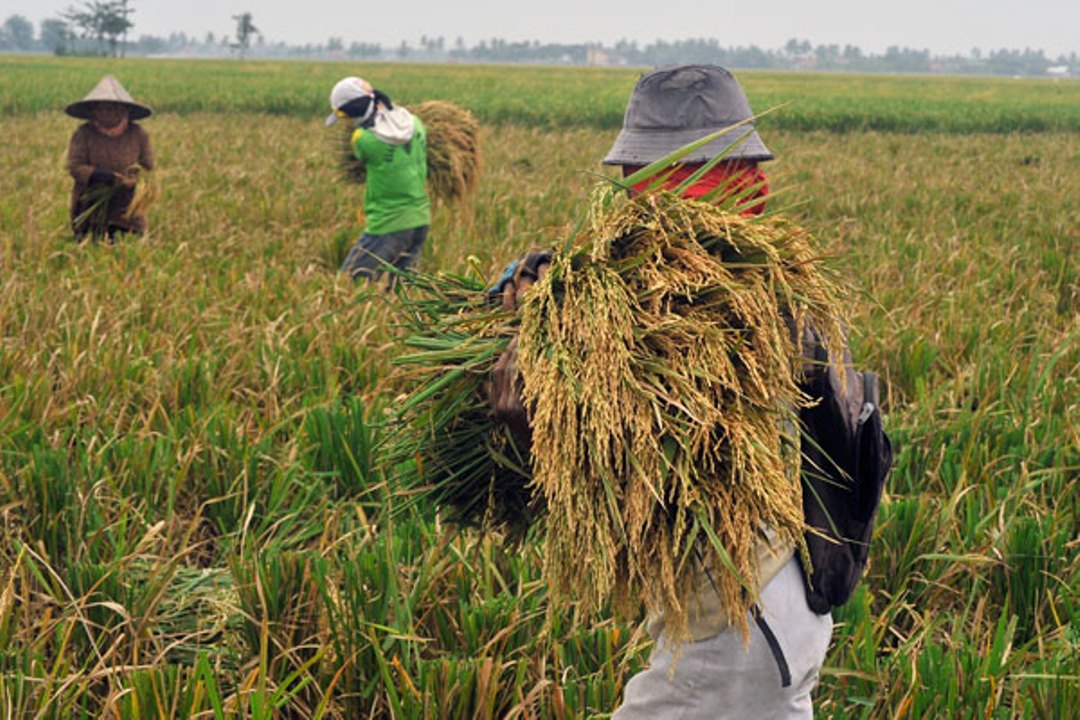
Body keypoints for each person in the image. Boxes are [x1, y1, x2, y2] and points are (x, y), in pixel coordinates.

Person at [489, 65, 833, 719]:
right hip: (768, 607)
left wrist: (537, 346)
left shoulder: (709, 300)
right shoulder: (737, 270)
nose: (633, 198)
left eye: (647, 180)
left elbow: (607, 444)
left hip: (736, 628)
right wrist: (562, 287)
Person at [326, 76, 431, 283]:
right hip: (420, 219)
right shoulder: (415, 124)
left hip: (389, 222)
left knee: (347, 285)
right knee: (403, 293)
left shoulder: (363, 139)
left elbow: (363, 159)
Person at [65, 75, 155, 243]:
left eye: (110, 108)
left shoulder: (138, 134)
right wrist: (107, 177)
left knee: (127, 254)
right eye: (99, 109)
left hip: (128, 211)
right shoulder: (83, 134)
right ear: (92, 111)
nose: (104, 112)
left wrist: (134, 181)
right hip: (91, 208)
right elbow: (75, 166)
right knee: (91, 252)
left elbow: (148, 166)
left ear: (122, 110)